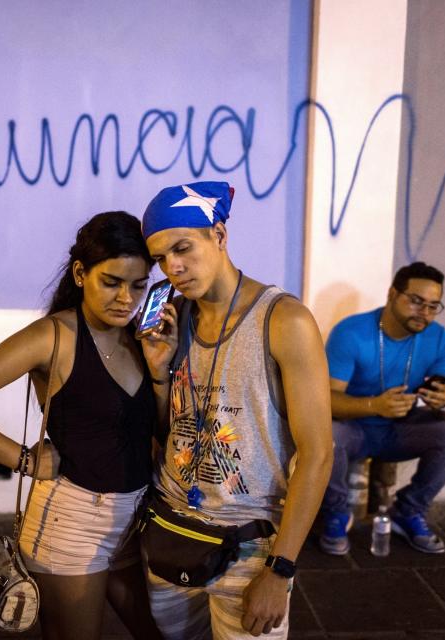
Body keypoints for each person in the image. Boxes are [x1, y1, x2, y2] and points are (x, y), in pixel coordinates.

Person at [0, 212, 164, 640]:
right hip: (70, 522)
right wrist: (24, 459)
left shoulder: (140, 336)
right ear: (80, 273)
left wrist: (162, 370)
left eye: (139, 285)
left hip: (132, 517)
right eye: (111, 282)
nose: (126, 298)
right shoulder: (53, 336)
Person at [139, 181, 333, 639]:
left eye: (182, 247)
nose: (174, 267)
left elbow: (318, 453)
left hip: (248, 543)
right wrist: (159, 373)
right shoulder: (174, 316)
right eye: (161, 259)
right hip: (172, 526)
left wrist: (281, 570)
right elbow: (173, 430)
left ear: (219, 236)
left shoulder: (285, 320)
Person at [317, 262, 445, 555]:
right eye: (416, 301)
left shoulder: (437, 337)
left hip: (402, 428)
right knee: (324, 433)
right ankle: (336, 513)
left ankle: (408, 511)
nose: (424, 313)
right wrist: (374, 405)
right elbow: (324, 401)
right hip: (354, 428)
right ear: (393, 294)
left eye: (433, 306)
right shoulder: (352, 332)